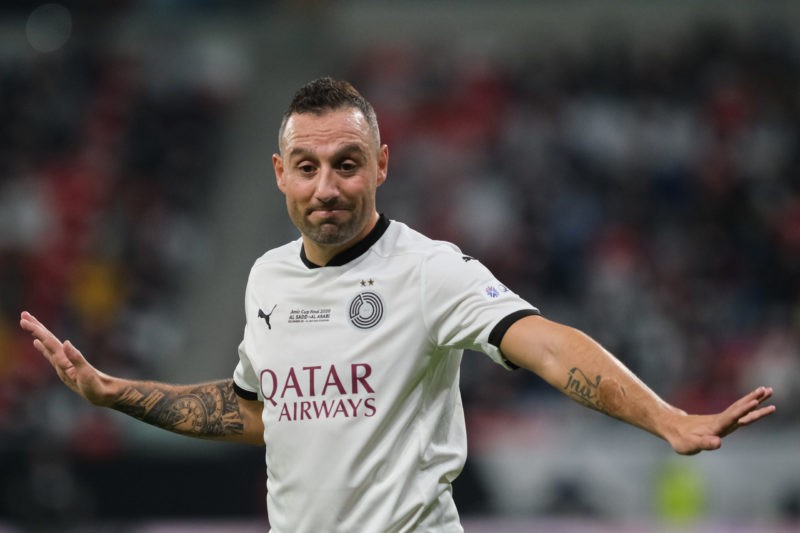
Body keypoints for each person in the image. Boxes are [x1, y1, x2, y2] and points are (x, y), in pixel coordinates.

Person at [20, 77, 775, 532]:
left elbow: (546, 343)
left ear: (380, 163)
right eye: (309, 167)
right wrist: (114, 393)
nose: (328, 187)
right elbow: (258, 409)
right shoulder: (266, 279)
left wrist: (665, 416)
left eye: (348, 164)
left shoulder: (426, 271)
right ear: (280, 173)